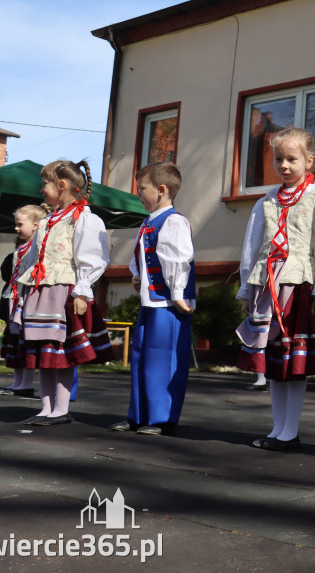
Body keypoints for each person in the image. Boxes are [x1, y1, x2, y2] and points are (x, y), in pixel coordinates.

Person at [236, 126, 315, 451]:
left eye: (292, 159)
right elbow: (252, 247)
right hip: (268, 289)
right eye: (279, 159)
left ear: (309, 160)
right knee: (274, 362)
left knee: (293, 362)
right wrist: (247, 288)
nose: (284, 165)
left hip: (299, 287)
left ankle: (290, 431)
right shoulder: (266, 202)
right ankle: (277, 428)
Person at [15, 160, 113, 425]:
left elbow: (93, 257)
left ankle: (61, 408)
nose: (41, 189)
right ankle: (45, 407)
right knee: (41, 350)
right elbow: (35, 259)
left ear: (62, 185)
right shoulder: (46, 221)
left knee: (60, 351)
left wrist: (82, 291)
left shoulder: (83, 219)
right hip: (40, 292)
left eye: (45, 183)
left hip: (63, 292)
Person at [110, 162, 195, 436]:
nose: (138, 195)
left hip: (168, 305)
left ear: (161, 190)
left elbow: (178, 260)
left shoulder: (174, 221)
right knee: (141, 357)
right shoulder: (148, 221)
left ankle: (160, 418)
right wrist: (137, 276)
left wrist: (179, 293)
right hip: (151, 302)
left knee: (163, 360)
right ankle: (138, 415)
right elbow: (142, 256)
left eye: (141, 189)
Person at [0, 204, 47, 398]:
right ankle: (17, 382)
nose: (16, 228)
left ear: (35, 225)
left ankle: (26, 384)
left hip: (26, 300)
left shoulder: (38, 248)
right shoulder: (21, 248)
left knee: (25, 344)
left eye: (19, 224)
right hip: (14, 299)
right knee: (14, 343)